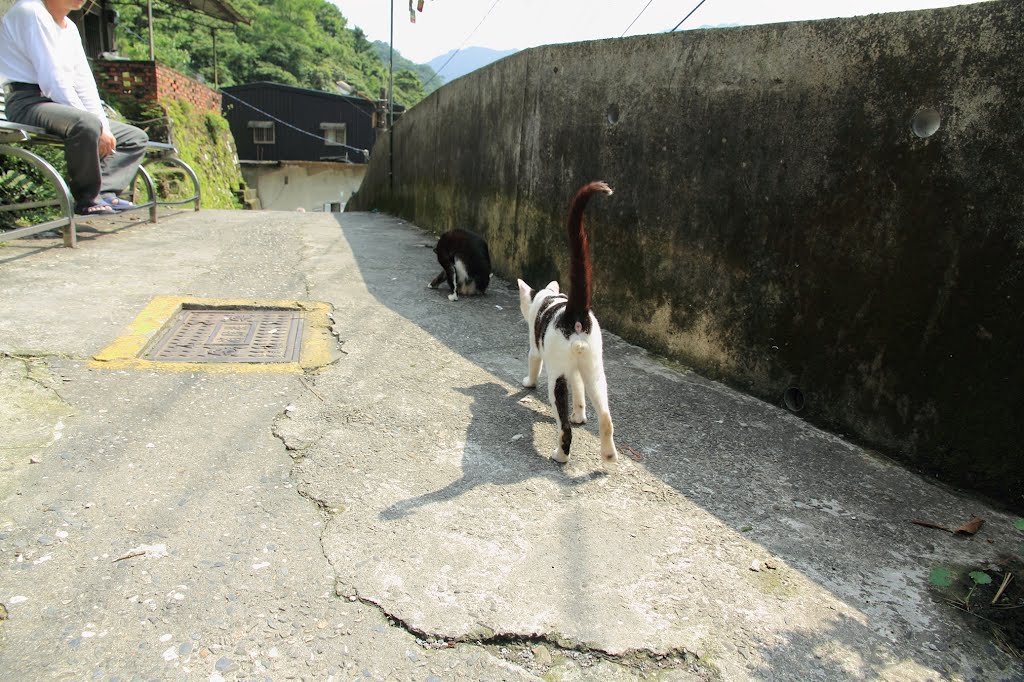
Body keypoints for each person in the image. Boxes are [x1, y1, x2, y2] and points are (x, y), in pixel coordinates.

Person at [0, 0, 148, 215]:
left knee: (134, 138)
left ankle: (105, 191)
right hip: (28, 102)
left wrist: (103, 127)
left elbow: (84, 83)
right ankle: (87, 199)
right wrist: (94, 124)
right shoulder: (30, 11)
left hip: (59, 105)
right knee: (87, 124)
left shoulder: (70, 28)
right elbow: (53, 79)